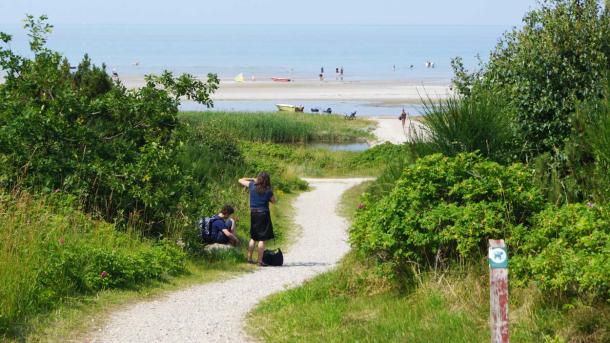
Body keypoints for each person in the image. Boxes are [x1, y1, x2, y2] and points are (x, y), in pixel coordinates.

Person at [238, 172, 277, 266]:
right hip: (263, 214)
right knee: (262, 239)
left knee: (253, 237)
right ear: (267, 180)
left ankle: (249, 259)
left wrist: (252, 178)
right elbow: (274, 201)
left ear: (258, 179)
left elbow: (240, 180)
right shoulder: (268, 190)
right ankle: (260, 261)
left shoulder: (252, 185)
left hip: (254, 213)